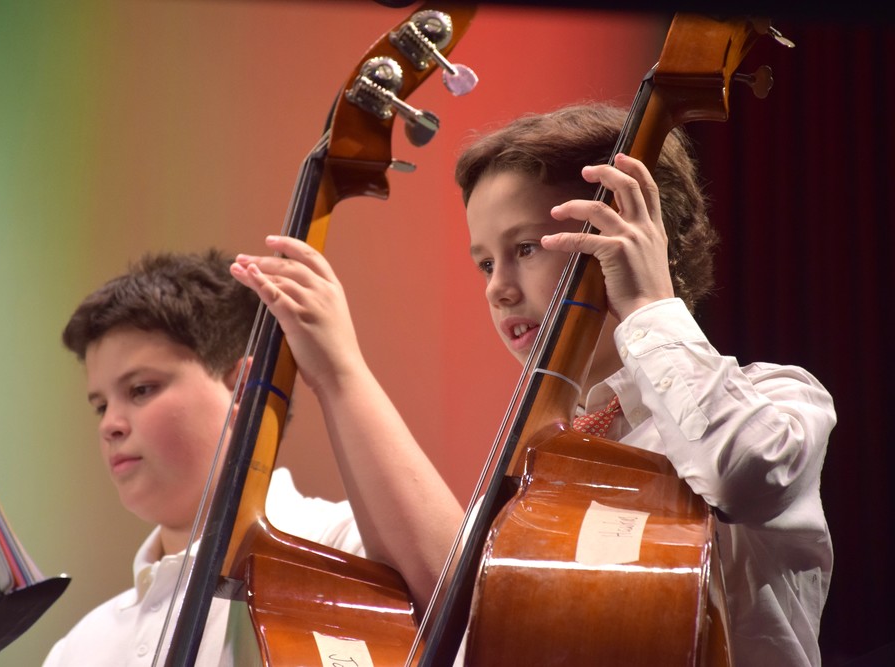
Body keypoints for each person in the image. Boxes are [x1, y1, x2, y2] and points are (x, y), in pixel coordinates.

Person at [234, 102, 834, 666]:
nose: (497, 288)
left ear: (635, 238)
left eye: (524, 247)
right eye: (486, 263)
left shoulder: (780, 398)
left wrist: (650, 304)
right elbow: (465, 619)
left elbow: (743, 473)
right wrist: (338, 371)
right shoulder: (541, 466)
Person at [43, 249, 461, 666]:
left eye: (141, 390)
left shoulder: (342, 552)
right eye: (100, 405)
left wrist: (340, 372)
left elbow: (469, 609)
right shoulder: (80, 649)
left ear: (243, 387)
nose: (110, 425)